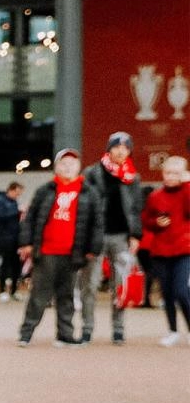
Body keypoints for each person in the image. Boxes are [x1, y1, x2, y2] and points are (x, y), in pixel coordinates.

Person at [17, 149, 102, 347]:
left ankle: (65, 334)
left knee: (67, 296)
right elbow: (30, 219)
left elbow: (96, 223)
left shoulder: (89, 192)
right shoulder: (45, 190)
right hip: (47, 251)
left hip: (73, 253)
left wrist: (93, 248)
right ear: (56, 167)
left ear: (79, 167)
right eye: (63, 163)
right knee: (39, 294)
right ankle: (26, 333)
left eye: (72, 163)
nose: (67, 167)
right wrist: (26, 243)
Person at [78, 131, 142, 344]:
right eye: (116, 146)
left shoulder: (132, 176)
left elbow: (135, 208)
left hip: (121, 236)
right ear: (109, 148)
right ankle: (87, 328)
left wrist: (135, 234)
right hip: (96, 235)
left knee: (120, 284)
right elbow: (83, 205)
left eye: (125, 147)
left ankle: (118, 329)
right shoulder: (92, 173)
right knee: (90, 283)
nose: (120, 150)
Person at [141, 155, 190, 346]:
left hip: (183, 248)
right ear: (163, 173)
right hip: (161, 250)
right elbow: (146, 220)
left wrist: (187, 185)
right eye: (168, 172)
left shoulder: (187, 191)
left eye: (176, 173)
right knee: (167, 292)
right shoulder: (155, 196)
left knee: (181, 290)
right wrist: (156, 223)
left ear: (183, 174)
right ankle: (173, 330)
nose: (171, 176)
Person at [0, 182, 24, 301]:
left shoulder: (14, 202)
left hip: (16, 238)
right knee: (5, 264)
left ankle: (14, 290)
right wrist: (17, 210)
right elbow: (1, 216)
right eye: (17, 193)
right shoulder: (0, 201)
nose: (18, 196)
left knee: (16, 265)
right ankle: (2, 290)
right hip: (4, 238)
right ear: (11, 190)